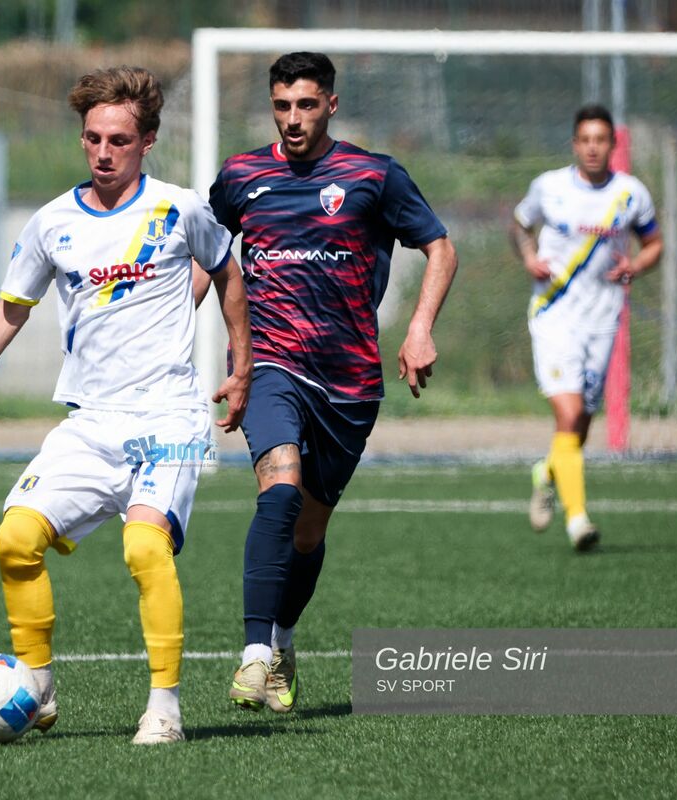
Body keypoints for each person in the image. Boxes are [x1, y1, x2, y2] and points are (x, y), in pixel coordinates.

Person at [0, 66, 252, 744]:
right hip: (90, 422)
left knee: (144, 548)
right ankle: (36, 687)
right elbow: (11, 309)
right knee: (14, 540)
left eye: (119, 139)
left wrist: (242, 367)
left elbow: (228, 274)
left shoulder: (179, 209)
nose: (103, 152)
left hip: (168, 417)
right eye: (92, 138)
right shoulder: (52, 222)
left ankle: (165, 709)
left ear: (147, 141)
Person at [202, 52, 458, 712]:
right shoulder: (241, 177)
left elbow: (439, 246)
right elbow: (207, 255)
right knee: (280, 493)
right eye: (282, 106)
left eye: (306, 105)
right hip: (271, 364)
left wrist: (420, 328)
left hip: (350, 380)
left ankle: (283, 641)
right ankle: (254, 655)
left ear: (331, 105)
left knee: (309, 532)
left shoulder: (374, 176)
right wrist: (177, 326)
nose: (293, 119)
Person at [511, 104, 663, 551]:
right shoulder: (549, 187)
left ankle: (547, 473)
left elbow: (654, 243)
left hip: (602, 321)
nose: (593, 148)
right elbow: (519, 225)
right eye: (585, 140)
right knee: (569, 413)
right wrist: (528, 256)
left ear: (613, 145)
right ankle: (578, 520)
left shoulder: (631, 194)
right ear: (574, 144)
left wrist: (636, 265)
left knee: (579, 424)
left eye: (601, 140)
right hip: (554, 315)